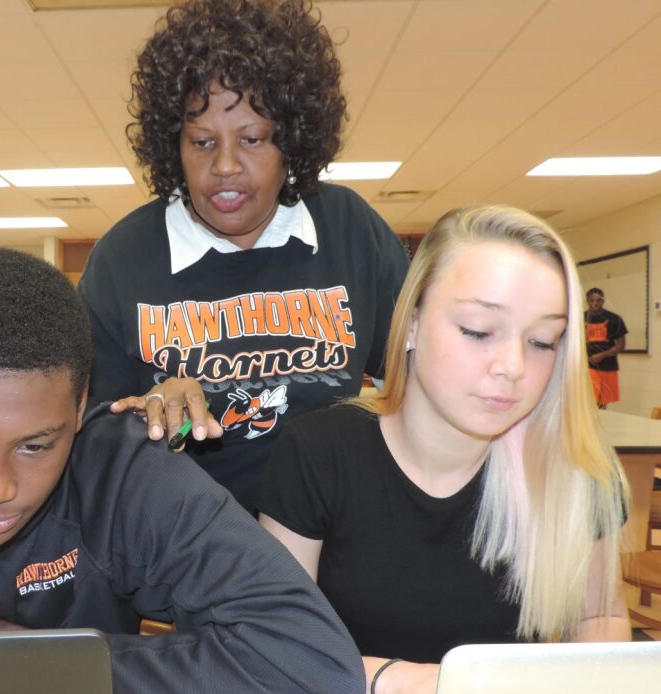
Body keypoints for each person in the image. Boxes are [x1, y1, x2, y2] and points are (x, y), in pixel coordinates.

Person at [0, 248, 365, 694]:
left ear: (81, 407)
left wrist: (51, 667)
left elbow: (313, 661)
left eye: (36, 446)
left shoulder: (126, 471)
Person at [259, 206, 631, 694]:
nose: (513, 366)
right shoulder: (318, 453)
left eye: (543, 341)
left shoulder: (576, 473)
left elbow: (600, 615)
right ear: (411, 324)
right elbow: (274, 645)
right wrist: (421, 683)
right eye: (478, 330)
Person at [79, 0, 409, 511]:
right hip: (182, 549)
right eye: (202, 141)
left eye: (252, 139)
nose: (226, 165)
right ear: (173, 146)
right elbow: (89, 438)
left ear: (293, 141)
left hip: (332, 537)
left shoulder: (349, 230)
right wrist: (145, 412)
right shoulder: (122, 259)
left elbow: (419, 386)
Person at [585, 287, 627, 409]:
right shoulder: (579, 318)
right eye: (592, 300)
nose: (595, 303)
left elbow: (621, 345)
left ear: (603, 301)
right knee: (588, 402)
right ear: (587, 301)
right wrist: (585, 356)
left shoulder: (615, 319)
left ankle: (599, 426)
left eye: (598, 300)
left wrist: (602, 355)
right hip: (586, 367)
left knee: (602, 404)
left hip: (607, 366)